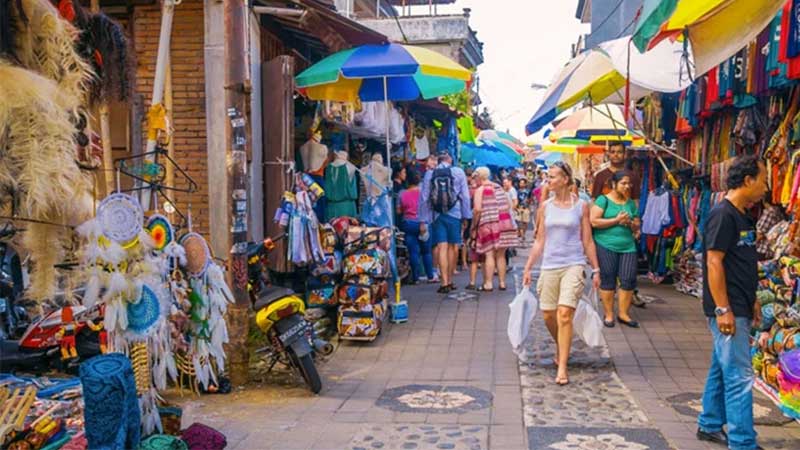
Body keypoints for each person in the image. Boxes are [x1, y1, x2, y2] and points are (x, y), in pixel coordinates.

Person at [696, 155, 767, 450]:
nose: (766, 187)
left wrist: (753, 301)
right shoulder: (722, 215)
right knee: (740, 376)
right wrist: (723, 309)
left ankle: (710, 424)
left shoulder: (741, 215)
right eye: (763, 179)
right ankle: (742, 442)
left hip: (740, 303)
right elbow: (714, 262)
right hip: (728, 308)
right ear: (748, 180)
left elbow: (742, 261)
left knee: (721, 367)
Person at [522, 160, 601, 386]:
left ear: (565, 179)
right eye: (548, 177)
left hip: (574, 264)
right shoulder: (545, 207)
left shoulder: (581, 206)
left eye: (553, 176)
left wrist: (595, 269)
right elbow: (539, 241)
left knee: (564, 314)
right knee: (548, 314)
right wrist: (528, 267)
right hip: (549, 265)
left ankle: (563, 366)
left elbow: (587, 240)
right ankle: (562, 344)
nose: (549, 180)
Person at [590, 171, 641, 328]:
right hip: (606, 244)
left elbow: (637, 224)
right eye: (623, 183)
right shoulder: (603, 200)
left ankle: (623, 313)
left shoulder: (630, 203)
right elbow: (594, 221)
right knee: (608, 278)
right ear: (614, 184)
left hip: (627, 246)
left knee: (628, 278)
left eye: (629, 184)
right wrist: (616, 220)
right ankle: (609, 314)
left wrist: (630, 224)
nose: (627, 187)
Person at [419, 152, 472, 294]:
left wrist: (423, 220)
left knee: (441, 246)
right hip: (454, 214)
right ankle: (450, 279)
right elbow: (465, 197)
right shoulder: (459, 172)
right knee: (453, 247)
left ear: (438, 160)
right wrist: (466, 216)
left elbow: (424, 198)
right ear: (450, 160)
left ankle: (443, 283)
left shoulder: (430, 174)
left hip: (437, 215)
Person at [470, 167, 518, 291]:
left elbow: (477, 210)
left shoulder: (480, 190)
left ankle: (488, 283)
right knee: (501, 255)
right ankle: (502, 283)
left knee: (489, 254)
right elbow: (508, 205)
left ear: (479, 177)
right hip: (504, 222)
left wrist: (474, 226)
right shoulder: (498, 187)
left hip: (489, 223)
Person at [397, 169, 435, 285]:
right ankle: (430, 276)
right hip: (423, 223)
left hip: (408, 224)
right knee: (426, 252)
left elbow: (398, 211)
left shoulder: (402, 193)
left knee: (413, 251)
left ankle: (415, 278)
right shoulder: (424, 193)